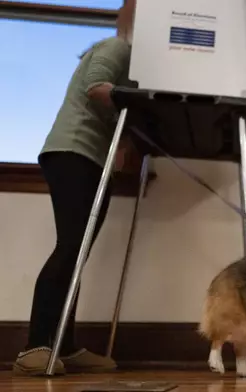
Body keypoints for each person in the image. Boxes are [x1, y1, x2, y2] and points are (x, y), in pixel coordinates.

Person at [13, 0, 137, 376]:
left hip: (89, 159)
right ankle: (35, 346)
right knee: (70, 248)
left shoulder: (129, 59)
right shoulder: (120, 47)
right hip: (73, 152)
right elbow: (96, 88)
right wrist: (135, 107)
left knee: (77, 253)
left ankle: (63, 346)